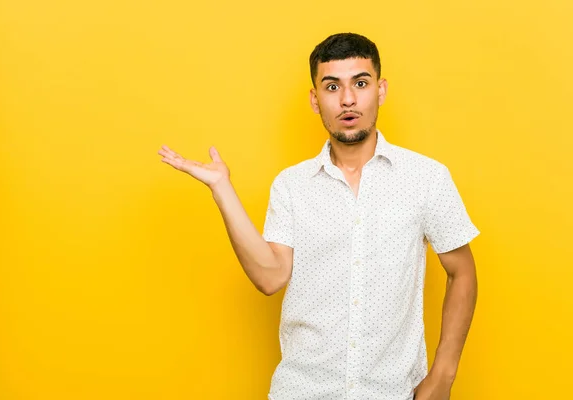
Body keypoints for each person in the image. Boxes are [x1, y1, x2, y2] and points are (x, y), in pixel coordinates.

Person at [157, 32, 479, 400]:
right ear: (315, 99)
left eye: (360, 83)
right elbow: (270, 276)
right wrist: (221, 188)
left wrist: (443, 376)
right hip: (302, 391)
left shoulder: (426, 177)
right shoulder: (291, 186)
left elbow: (462, 271)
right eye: (331, 86)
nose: (347, 99)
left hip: (393, 392)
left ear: (381, 90)